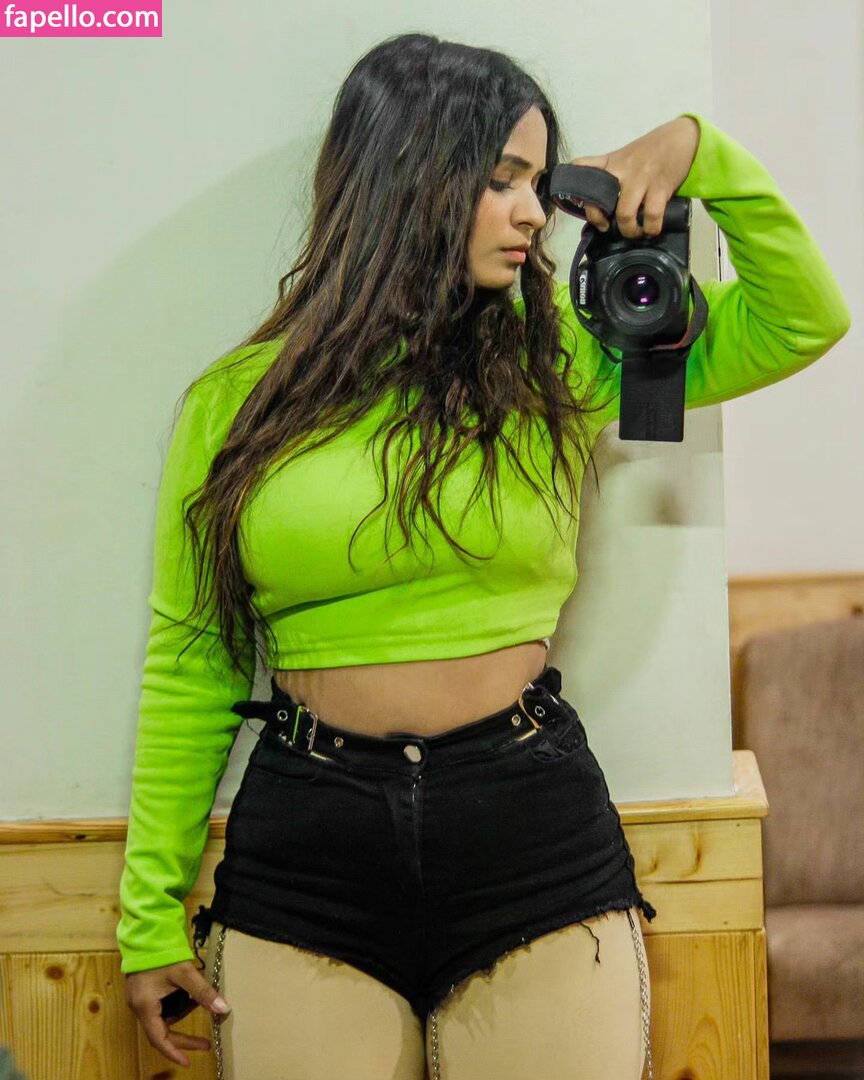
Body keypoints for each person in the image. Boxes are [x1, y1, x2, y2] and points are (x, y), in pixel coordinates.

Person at [116, 32, 850, 1080]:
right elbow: (193, 656)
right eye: (501, 179)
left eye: (537, 184)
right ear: (407, 179)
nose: (532, 212)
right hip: (310, 850)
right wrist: (148, 916)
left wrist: (702, 151)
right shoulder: (237, 403)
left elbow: (803, 318)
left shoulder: (565, 365)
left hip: (529, 834)